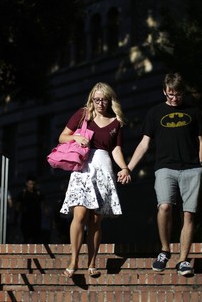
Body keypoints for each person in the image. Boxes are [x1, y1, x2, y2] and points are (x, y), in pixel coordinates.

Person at [122, 72, 202, 277]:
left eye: (177, 94)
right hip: (165, 167)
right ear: (164, 92)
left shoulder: (193, 112)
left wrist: (201, 165)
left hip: (191, 168)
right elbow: (144, 144)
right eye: (170, 94)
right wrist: (128, 167)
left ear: (182, 93)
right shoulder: (155, 112)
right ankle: (165, 250)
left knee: (188, 213)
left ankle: (183, 260)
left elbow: (201, 140)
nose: (174, 98)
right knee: (165, 206)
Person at [58, 82, 130, 278]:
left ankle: (92, 263)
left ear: (109, 100)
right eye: (96, 99)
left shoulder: (116, 122)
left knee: (96, 221)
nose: (99, 103)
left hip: (103, 169)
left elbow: (116, 149)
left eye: (103, 99)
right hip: (83, 168)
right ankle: (73, 260)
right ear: (92, 99)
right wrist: (76, 138)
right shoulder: (83, 115)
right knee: (79, 215)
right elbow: (62, 137)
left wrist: (124, 168)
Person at [15, 174, 43, 244]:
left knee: (35, 236)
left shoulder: (38, 193)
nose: (32, 186)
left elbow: (43, 204)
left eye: (33, 184)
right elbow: (18, 205)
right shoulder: (23, 193)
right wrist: (16, 216)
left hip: (36, 218)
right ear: (27, 183)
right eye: (30, 184)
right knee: (26, 236)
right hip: (26, 217)